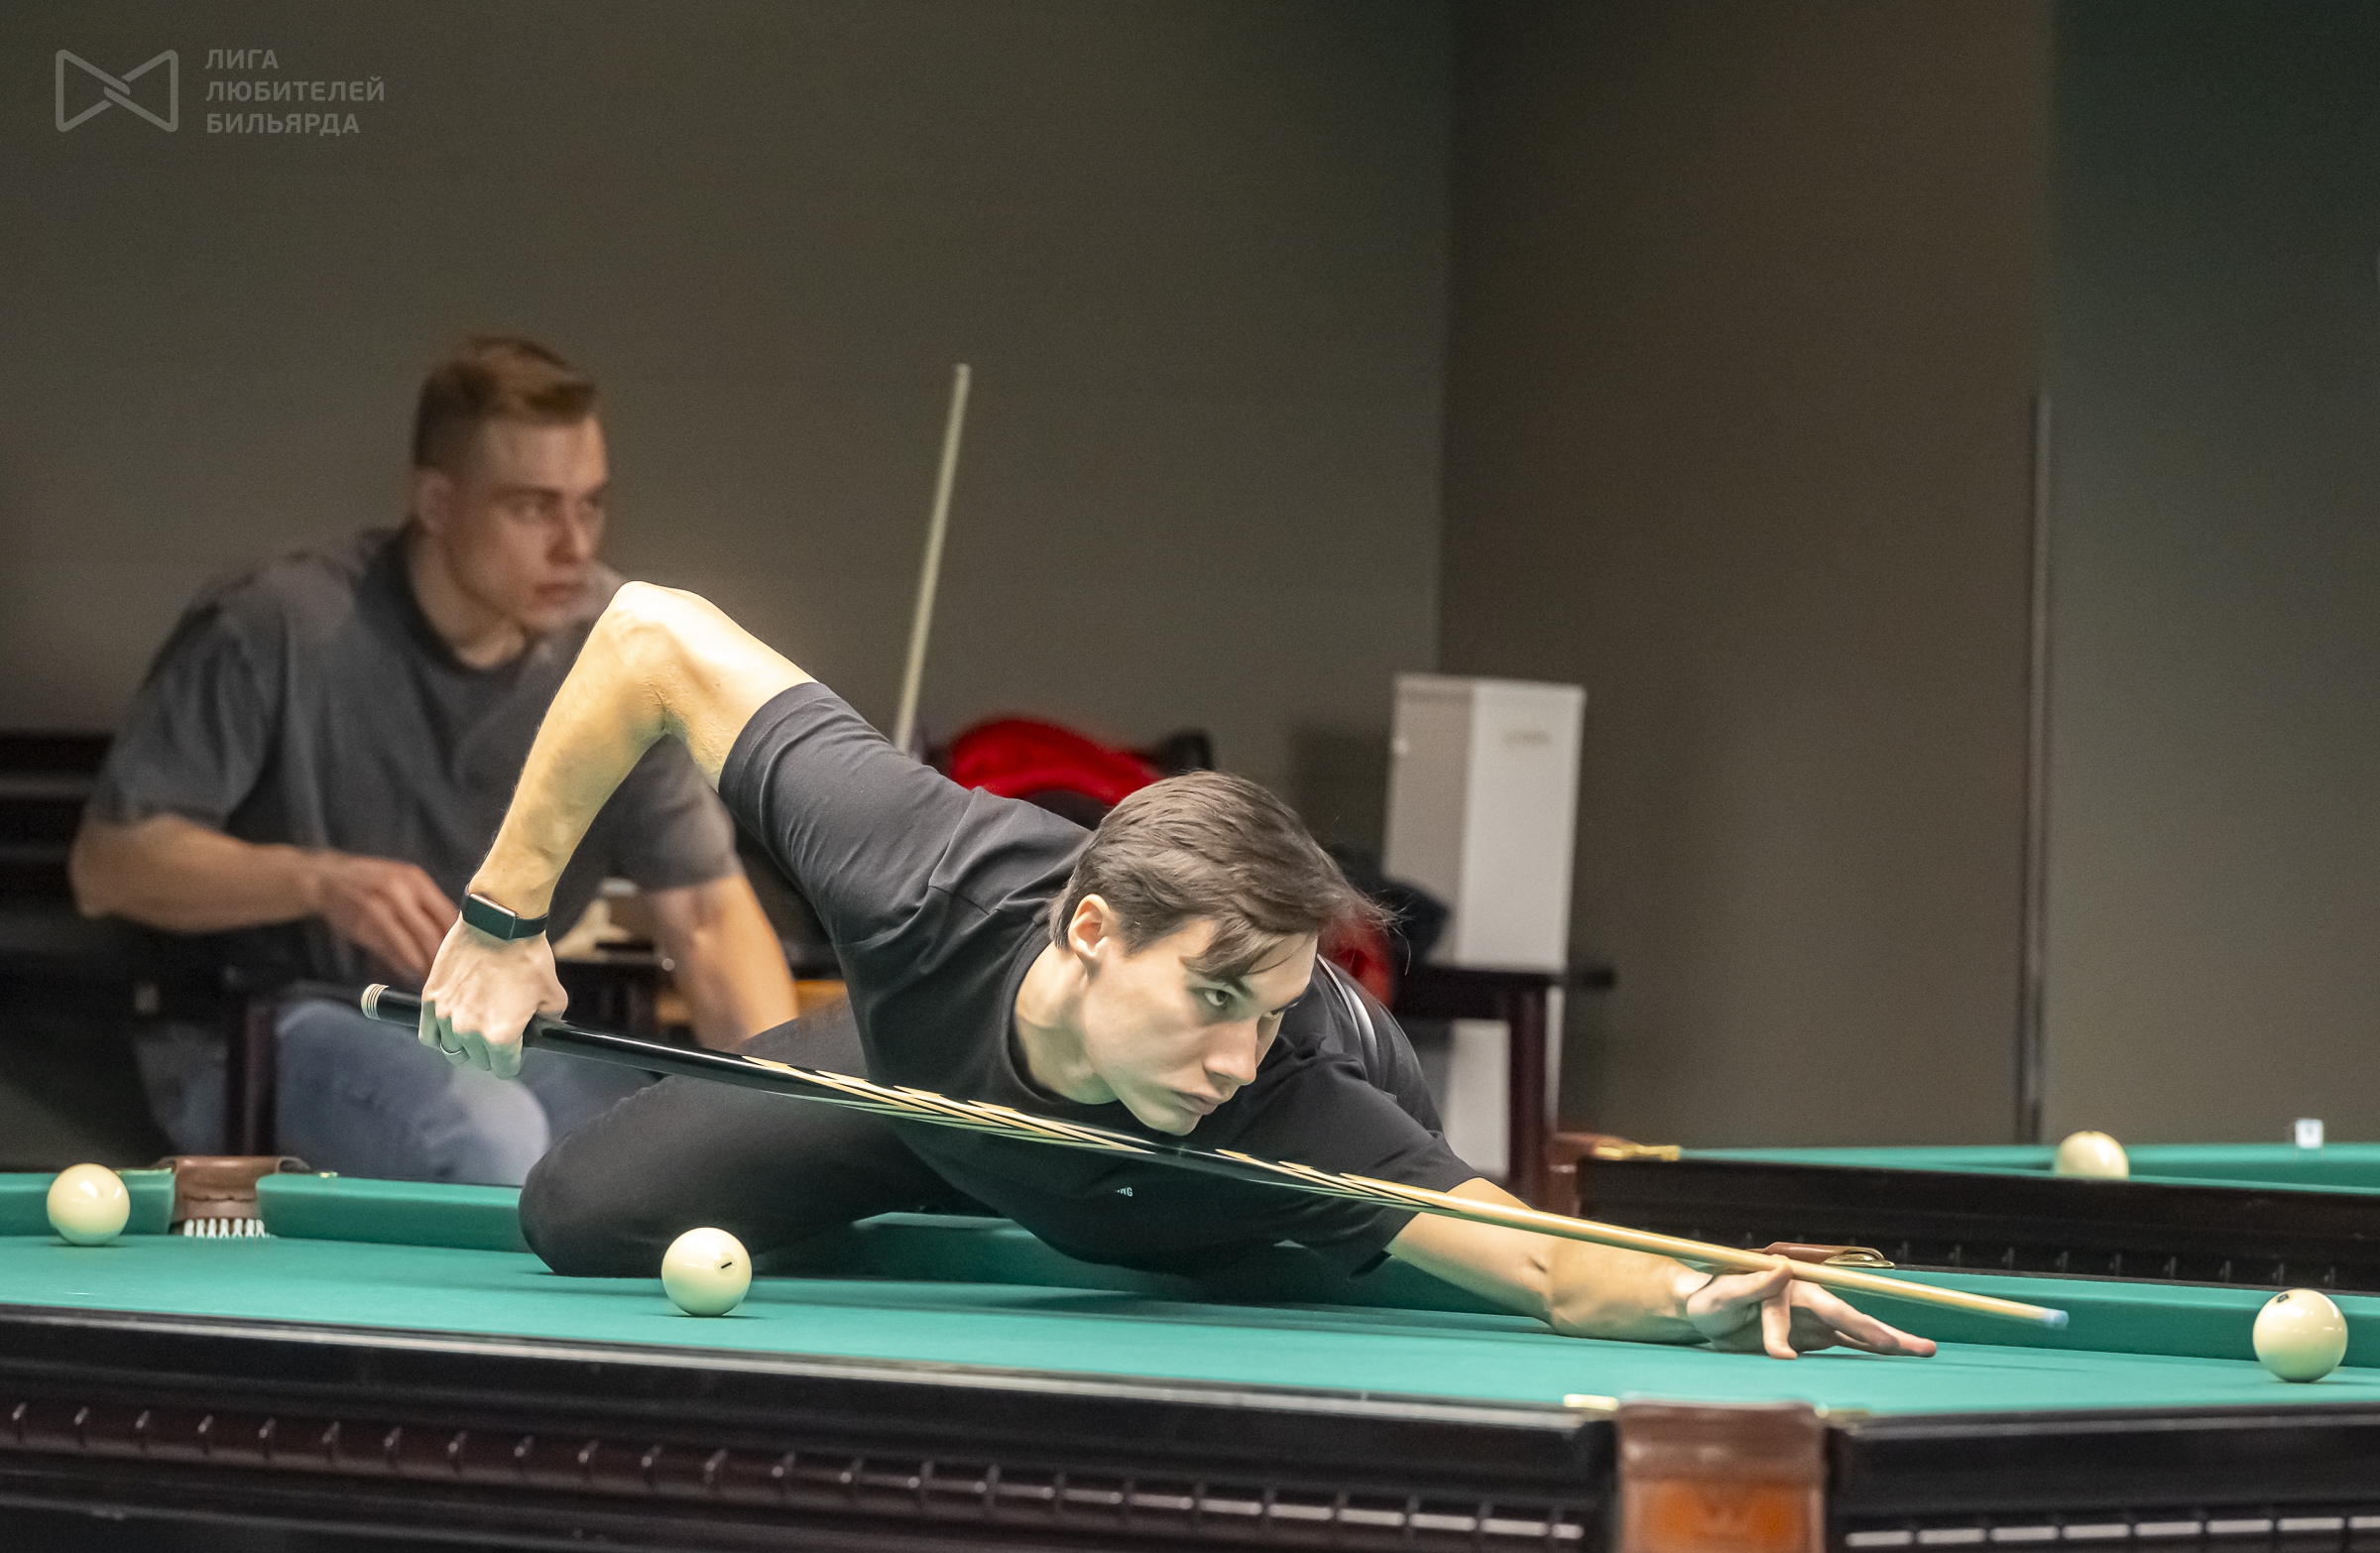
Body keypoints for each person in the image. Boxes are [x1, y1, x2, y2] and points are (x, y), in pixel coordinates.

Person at [416, 581, 1936, 1358]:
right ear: (1091, 933)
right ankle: (975, 1197)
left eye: (1265, 1009)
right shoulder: (918, 870)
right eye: (1214, 998)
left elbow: (1540, 1260)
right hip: (931, 1091)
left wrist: (1695, 1291)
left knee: (1281, 1292)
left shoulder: (1289, 1109)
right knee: (581, 1214)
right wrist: (500, 916)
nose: (1235, 1053)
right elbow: (651, 635)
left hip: (1234, 1207)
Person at [69, 336, 797, 1184]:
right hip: (260, 1024)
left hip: (485, 1021)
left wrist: (791, 1123)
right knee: (489, 1137)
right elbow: (109, 867)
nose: (574, 545)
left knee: (649, 1156)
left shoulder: (615, 651)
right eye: (533, 508)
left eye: (591, 505)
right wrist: (318, 881)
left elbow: (707, 919)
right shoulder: (281, 625)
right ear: (436, 502)